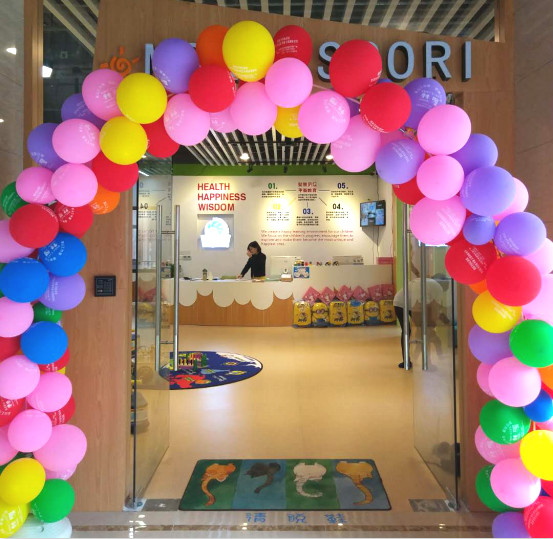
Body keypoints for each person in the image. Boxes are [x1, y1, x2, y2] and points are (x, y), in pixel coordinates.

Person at [393, 275, 447, 369]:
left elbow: (434, 307)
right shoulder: (437, 288)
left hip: (400, 300)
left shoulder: (429, 283)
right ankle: (424, 361)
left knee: (409, 331)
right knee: (420, 331)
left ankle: (408, 361)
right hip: (402, 303)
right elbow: (433, 307)